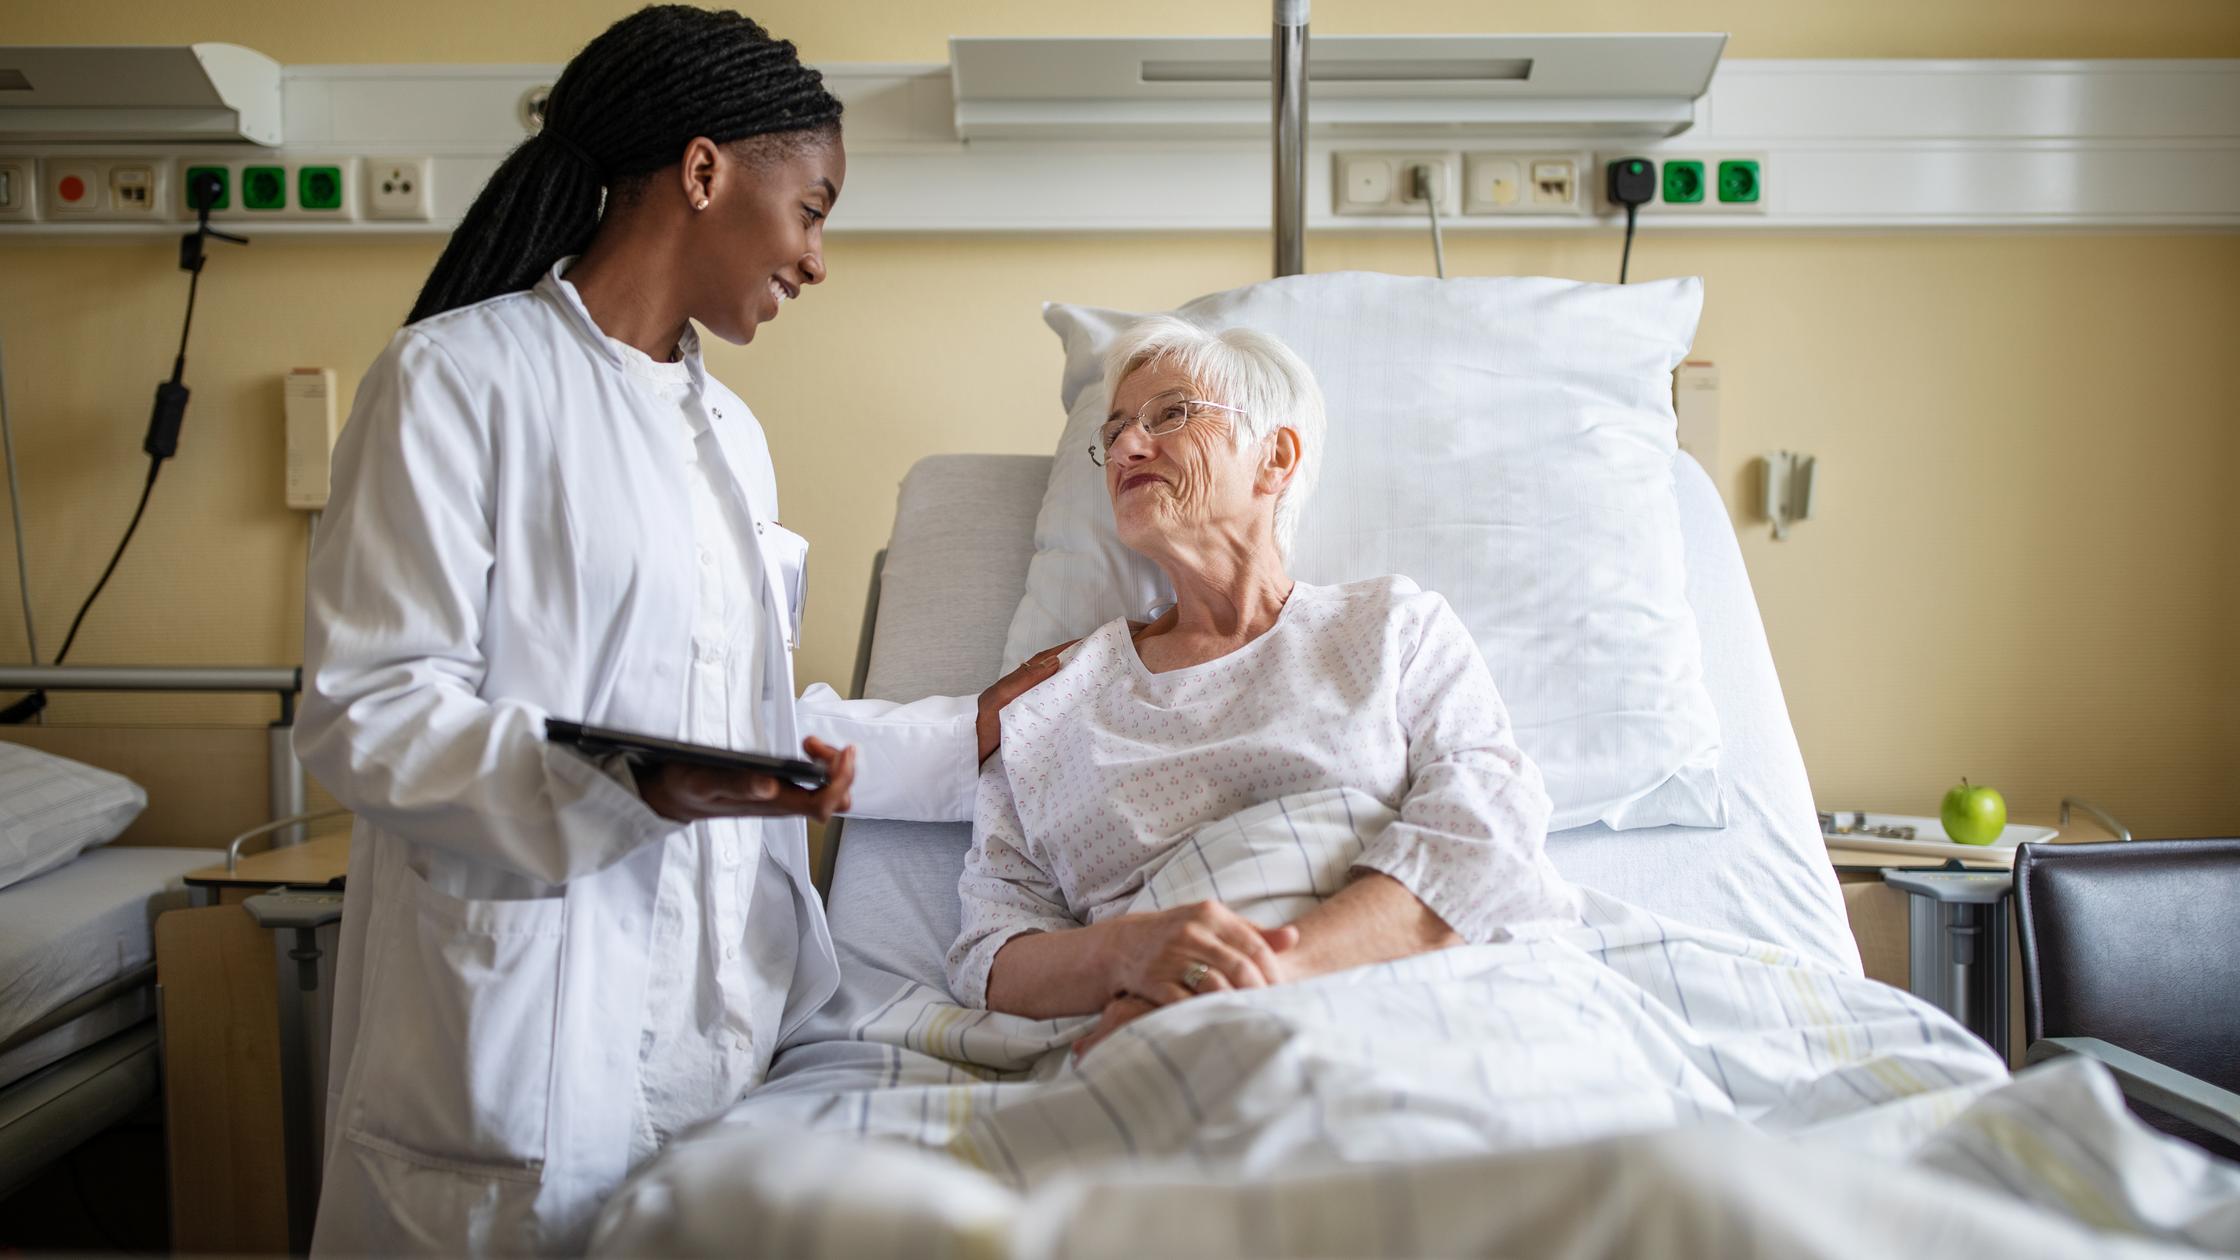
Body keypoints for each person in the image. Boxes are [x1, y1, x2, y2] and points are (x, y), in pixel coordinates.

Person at [295, 7, 1055, 1252]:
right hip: (521, 1042)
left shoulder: (732, 443)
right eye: (811, 209)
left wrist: (962, 732)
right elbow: (370, 708)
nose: (816, 259)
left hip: (717, 1040)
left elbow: (729, 711)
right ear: (702, 173)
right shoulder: (453, 382)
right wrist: (631, 783)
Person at [944, 317, 1580, 1054]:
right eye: (1113, 432)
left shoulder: (1390, 629)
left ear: (1274, 457)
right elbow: (990, 951)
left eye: (1170, 414)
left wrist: (1256, 977)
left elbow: (1487, 829)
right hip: (1160, 1038)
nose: (1124, 446)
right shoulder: (1053, 701)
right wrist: (1128, 956)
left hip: (1404, 1000)